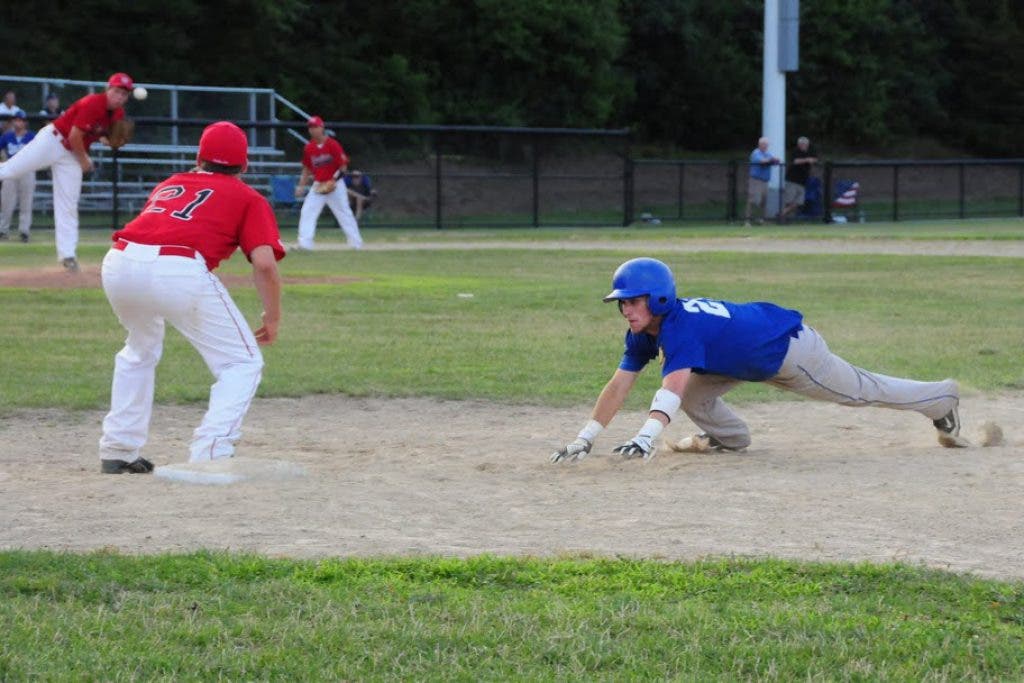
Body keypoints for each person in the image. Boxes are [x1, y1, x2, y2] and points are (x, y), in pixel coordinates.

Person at [551, 257, 966, 464]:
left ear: (658, 298)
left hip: (787, 352)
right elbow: (620, 383)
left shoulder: (680, 327)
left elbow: (670, 387)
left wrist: (645, 436)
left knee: (858, 391)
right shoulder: (646, 329)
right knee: (694, 397)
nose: (626, 310)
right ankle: (731, 438)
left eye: (633, 301)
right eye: (622, 304)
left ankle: (941, 399)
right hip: (740, 359)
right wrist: (586, 437)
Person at [97, 121, 286, 474]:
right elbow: (264, 263)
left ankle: (118, 449)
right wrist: (272, 317)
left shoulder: (172, 183)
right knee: (241, 363)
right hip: (177, 268)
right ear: (244, 166)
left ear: (198, 159)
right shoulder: (248, 197)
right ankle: (211, 452)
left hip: (120, 261)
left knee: (139, 350)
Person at [0, 73, 135, 272]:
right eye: (116, 91)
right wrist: (84, 161)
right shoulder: (93, 103)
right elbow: (74, 136)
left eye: (124, 94)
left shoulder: (118, 115)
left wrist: (110, 141)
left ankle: (68, 256)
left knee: (68, 204)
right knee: (9, 170)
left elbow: (100, 135)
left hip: (71, 155)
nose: (119, 97)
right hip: (53, 142)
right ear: (108, 89)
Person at [293, 115, 363, 251]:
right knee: (307, 211)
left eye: (315, 127)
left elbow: (343, 167)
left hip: (336, 185)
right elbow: (307, 169)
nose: (313, 130)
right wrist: (301, 185)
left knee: (343, 212)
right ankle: (305, 244)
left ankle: (356, 243)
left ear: (322, 127)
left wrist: (333, 181)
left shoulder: (332, 144)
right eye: (311, 127)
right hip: (318, 185)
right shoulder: (309, 148)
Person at [0, 110, 36, 242]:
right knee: (6, 203)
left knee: (26, 203)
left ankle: (24, 232)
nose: (17, 122)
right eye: (15, 120)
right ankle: (3, 230)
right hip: (10, 170)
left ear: (25, 122)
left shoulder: (31, 136)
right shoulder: (7, 136)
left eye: (20, 120)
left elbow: (39, 153)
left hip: (27, 170)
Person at [779, 136, 819, 221]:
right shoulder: (795, 151)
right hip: (792, 180)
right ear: (799, 144)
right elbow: (795, 161)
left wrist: (812, 160)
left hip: (802, 182)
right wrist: (807, 160)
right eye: (803, 144)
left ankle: (782, 213)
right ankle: (783, 218)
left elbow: (815, 159)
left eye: (806, 144)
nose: (805, 146)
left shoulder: (810, 151)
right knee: (789, 200)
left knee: (799, 202)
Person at [744, 136, 780, 226]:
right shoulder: (756, 153)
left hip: (765, 181)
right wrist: (771, 160)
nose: (765, 146)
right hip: (755, 180)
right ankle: (747, 220)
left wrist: (775, 160)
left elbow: (775, 162)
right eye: (763, 144)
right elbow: (762, 161)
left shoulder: (768, 153)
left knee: (763, 201)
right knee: (752, 200)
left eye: (766, 145)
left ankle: (761, 220)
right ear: (759, 144)